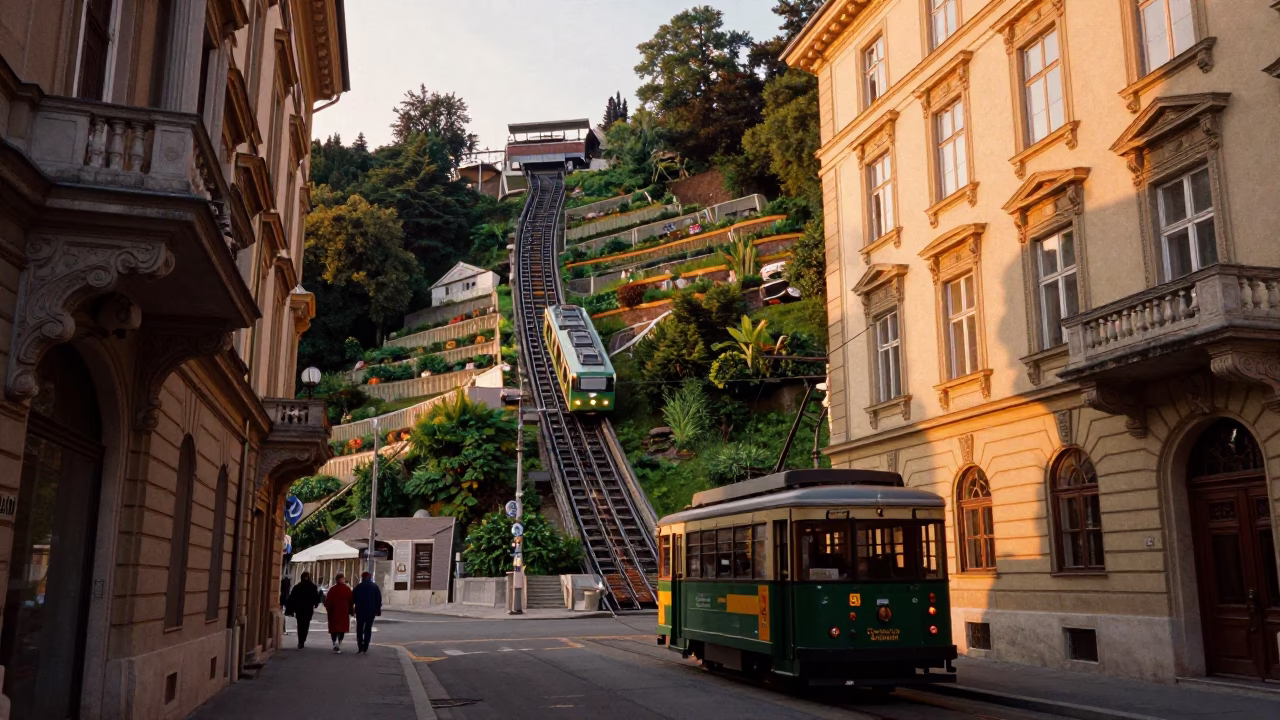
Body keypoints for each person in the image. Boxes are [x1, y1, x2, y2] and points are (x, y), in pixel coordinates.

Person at [284, 572, 322, 648]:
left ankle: (300, 640)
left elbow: (292, 598)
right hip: (308, 609)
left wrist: (290, 608)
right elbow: (316, 597)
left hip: (299, 609)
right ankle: (303, 639)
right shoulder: (312, 587)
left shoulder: (297, 587)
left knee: (300, 624)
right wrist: (316, 604)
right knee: (306, 624)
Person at [352, 571, 383, 654]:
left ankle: (360, 646)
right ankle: (366, 645)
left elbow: (353, 599)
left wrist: (353, 609)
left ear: (362, 577)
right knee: (368, 628)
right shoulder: (375, 587)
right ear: (370, 577)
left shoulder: (358, 587)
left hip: (360, 610)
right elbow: (378, 599)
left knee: (359, 628)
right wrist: (378, 609)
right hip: (371, 611)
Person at [323, 572, 353, 653]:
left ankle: (334, 642)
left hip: (333, 612)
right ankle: (339, 642)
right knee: (341, 629)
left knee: (334, 629)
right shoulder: (347, 589)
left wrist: (328, 609)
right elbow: (351, 601)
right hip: (344, 612)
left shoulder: (332, 589)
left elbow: (327, 601)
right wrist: (351, 611)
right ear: (342, 579)